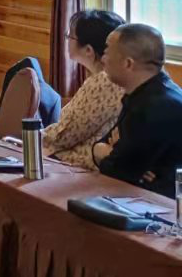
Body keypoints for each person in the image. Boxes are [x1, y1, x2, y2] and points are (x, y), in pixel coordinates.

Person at [94, 23, 182, 205]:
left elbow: (117, 170)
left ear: (128, 63)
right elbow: (102, 147)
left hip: (180, 208)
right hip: (149, 194)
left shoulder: (158, 105)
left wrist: (110, 155)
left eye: (107, 52)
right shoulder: (145, 92)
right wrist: (107, 152)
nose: (103, 59)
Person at [34, 9, 126, 167]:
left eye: (70, 36)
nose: (67, 40)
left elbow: (65, 134)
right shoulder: (108, 77)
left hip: (83, 166)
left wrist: (29, 139)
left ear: (88, 50)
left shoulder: (104, 82)